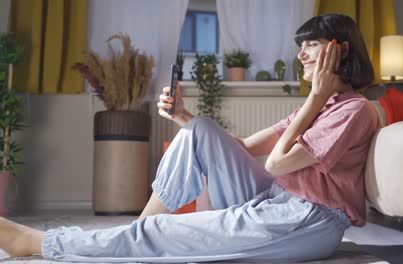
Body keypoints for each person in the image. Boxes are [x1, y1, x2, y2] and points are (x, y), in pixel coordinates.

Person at [0, 13, 378, 262]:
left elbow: (277, 163)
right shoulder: (319, 108)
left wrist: (314, 98)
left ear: (339, 49)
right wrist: (183, 116)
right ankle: (138, 232)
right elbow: (244, 148)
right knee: (201, 129)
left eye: (310, 45)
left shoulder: (352, 110)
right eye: (302, 46)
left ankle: (37, 244)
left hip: (310, 219)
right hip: (274, 198)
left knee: (162, 233)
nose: (301, 55)